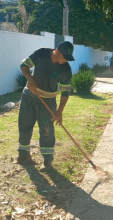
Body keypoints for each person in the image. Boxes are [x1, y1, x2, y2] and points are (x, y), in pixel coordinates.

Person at [16, 41, 74, 171]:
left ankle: (47, 162)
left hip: (48, 101)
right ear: (56, 51)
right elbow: (24, 65)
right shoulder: (41, 53)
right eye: (64, 56)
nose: (65, 60)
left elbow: (65, 91)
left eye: (68, 58)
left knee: (47, 130)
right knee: (24, 126)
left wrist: (59, 112)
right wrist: (30, 79)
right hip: (29, 97)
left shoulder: (66, 69)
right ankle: (23, 155)